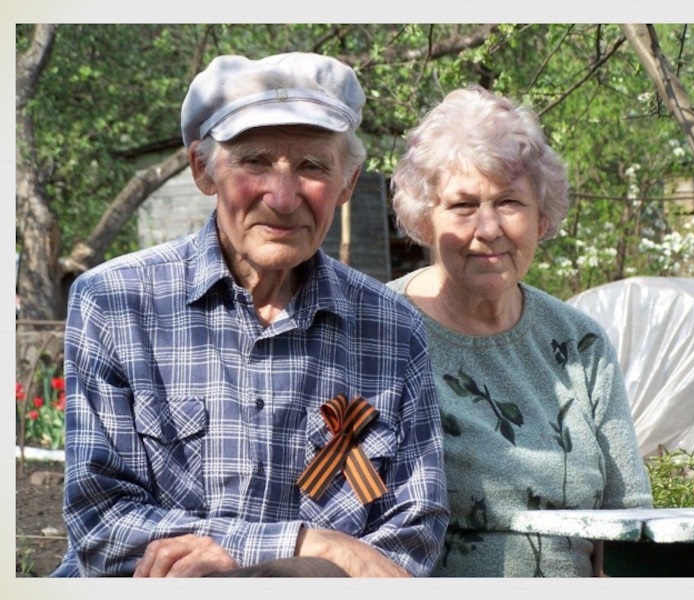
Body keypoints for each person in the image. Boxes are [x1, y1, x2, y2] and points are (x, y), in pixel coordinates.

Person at [52, 52, 448, 578]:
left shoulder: (393, 328)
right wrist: (310, 545)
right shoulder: (116, 302)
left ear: (348, 183)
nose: (282, 198)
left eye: (312, 166)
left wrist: (263, 568)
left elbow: (413, 532)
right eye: (255, 162)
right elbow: (101, 523)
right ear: (203, 170)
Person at [387, 86, 653, 577]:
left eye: (510, 202)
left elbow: (628, 518)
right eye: (463, 206)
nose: (489, 228)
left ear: (541, 217)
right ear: (425, 219)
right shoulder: (380, 330)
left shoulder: (581, 344)